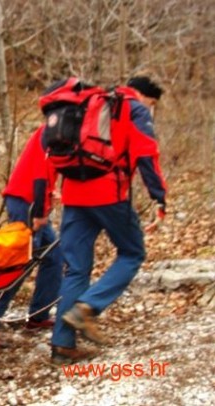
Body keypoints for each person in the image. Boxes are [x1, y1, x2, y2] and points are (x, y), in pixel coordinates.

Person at [50, 76, 167, 364]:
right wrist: (159, 195)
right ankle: (88, 307)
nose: (149, 109)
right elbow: (146, 154)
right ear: (143, 95)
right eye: (151, 103)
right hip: (109, 194)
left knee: (76, 269)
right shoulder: (132, 108)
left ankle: (62, 346)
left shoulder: (88, 103)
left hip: (74, 195)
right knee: (132, 252)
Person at [0, 125, 63, 348]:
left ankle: (38, 316)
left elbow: (47, 171)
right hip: (26, 202)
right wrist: (41, 211)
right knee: (19, 263)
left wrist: (52, 193)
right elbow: (40, 174)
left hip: (32, 200)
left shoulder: (60, 128)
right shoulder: (55, 127)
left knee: (54, 256)